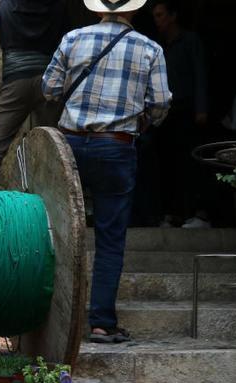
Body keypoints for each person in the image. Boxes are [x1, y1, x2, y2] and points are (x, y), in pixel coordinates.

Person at [42, 0, 172, 343]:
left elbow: (50, 89)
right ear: (133, 10)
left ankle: (50, 315)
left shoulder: (73, 39)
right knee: (110, 236)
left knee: (58, 230)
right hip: (115, 145)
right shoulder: (150, 48)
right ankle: (100, 323)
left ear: (97, 8)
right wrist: (142, 120)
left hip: (68, 144)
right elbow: (160, 103)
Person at [0, 0, 68, 192]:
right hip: (47, 82)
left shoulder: (4, 6)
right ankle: (53, 207)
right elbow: (66, 46)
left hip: (15, 82)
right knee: (54, 146)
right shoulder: (58, 6)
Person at [152, 0, 211, 228]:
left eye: (160, 15)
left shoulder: (190, 41)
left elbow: (199, 74)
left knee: (190, 163)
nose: (157, 20)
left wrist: (201, 108)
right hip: (166, 113)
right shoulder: (158, 46)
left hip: (188, 110)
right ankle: (173, 212)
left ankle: (198, 213)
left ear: (173, 16)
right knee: (168, 164)